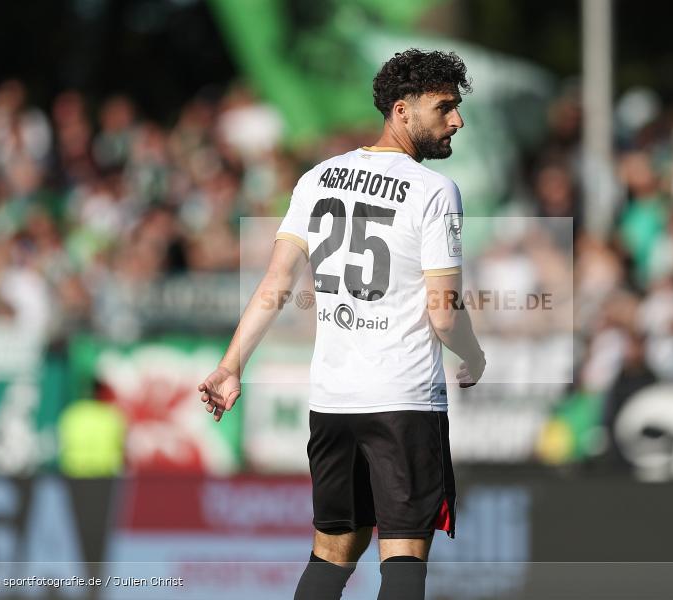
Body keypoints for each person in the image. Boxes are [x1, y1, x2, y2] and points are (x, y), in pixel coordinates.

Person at [197, 49, 485, 600]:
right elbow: (444, 312)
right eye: (445, 107)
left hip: (332, 403)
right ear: (402, 111)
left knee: (331, 555)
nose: (457, 120)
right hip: (402, 401)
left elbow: (275, 283)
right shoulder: (433, 191)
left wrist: (231, 366)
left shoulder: (318, 177)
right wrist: (473, 356)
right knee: (402, 554)